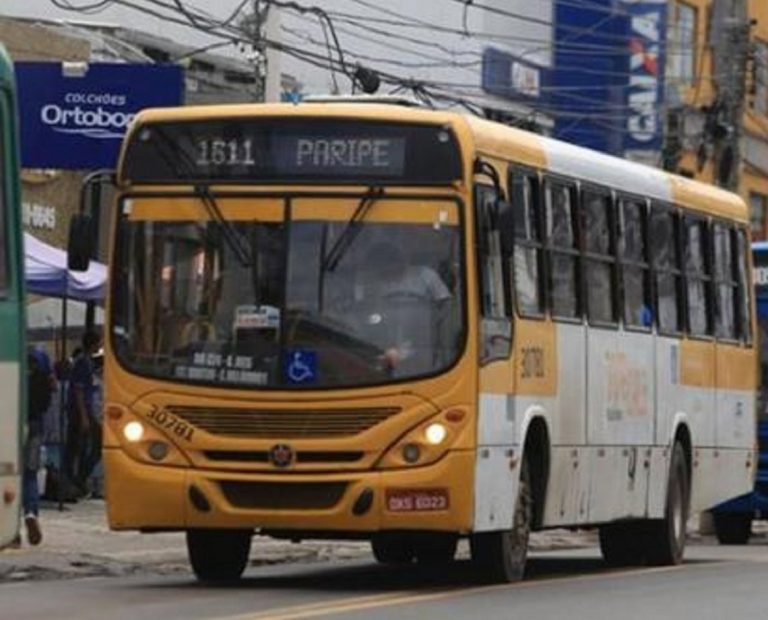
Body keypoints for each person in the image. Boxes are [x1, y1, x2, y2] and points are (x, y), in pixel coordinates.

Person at [64, 331, 102, 496]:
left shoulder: (87, 363)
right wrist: (85, 417)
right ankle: (74, 480)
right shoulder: (83, 363)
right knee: (79, 447)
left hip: (87, 410)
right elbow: (79, 391)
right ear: (94, 344)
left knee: (85, 447)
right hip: (81, 411)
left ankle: (78, 480)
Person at [24, 348, 54, 545]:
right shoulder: (44, 379)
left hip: (10, 426)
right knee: (30, 474)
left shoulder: (16, 376)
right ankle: (31, 513)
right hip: (35, 427)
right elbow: (46, 405)